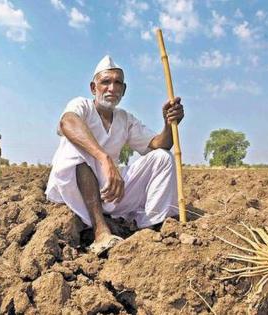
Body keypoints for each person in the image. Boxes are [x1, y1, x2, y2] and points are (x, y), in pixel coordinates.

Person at [46, 55, 185, 254]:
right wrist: (104, 159)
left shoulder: (125, 118)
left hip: (111, 189)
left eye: (117, 83)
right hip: (75, 189)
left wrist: (169, 123)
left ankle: (151, 227)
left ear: (124, 90)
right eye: (105, 82)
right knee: (73, 146)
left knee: (163, 157)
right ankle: (100, 231)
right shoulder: (82, 106)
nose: (112, 88)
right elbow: (67, 122)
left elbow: (156, 144)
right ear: (94, 88)